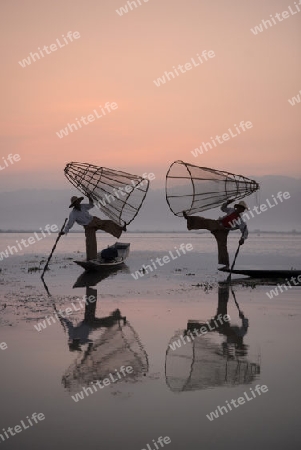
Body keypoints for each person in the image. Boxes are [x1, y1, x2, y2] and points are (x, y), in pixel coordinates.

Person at [183, 200, 248, 268]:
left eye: (243, 209)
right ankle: (188, 218)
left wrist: (242, 239)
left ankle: (226, 265)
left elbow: (245, 230)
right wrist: (227, 203)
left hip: (223, 231)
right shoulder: (231, 210)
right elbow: (222, 208)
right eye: (242, 208)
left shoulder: (239, 219)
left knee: (222, 246)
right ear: (238, 207)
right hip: (217, 224)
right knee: (204, 221)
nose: (243, 210)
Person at [61, 195, 126, 238]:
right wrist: (64, 231)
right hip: (88, 226)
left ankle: (121, 228)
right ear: (74, 204)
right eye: (75, 203)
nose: (77, 203)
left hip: (94, 220)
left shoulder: (83, 206)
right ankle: (91, 258)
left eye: (78, 202)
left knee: (108, 223)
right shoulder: (73, 214)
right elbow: (69, 224)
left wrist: (90, 198)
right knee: (91, 242)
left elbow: (91, 205)